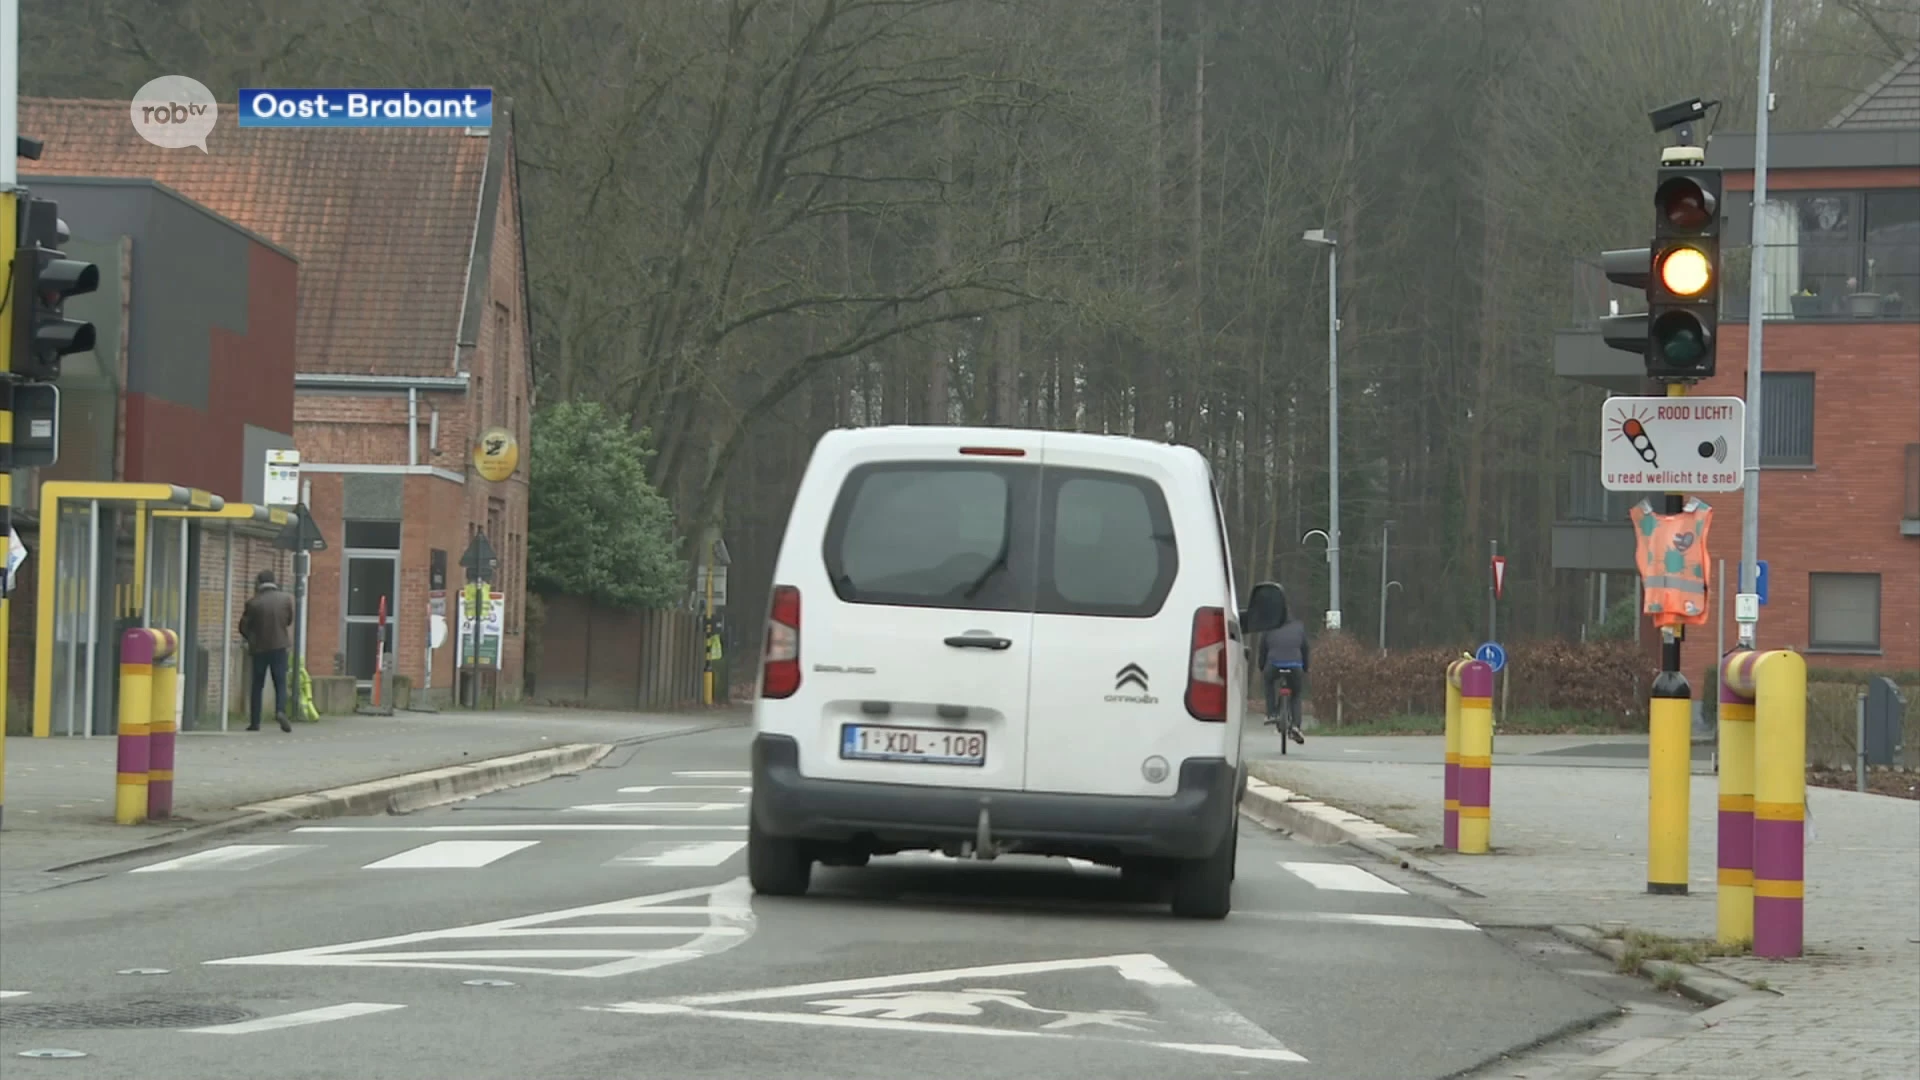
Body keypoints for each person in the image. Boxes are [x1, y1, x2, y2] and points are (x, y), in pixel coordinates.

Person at [238, 569, 295, 733]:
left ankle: (255, 722)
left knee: (257, 685)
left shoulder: (253, 603)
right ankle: (280, 711)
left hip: (259, 648)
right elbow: (288, 620)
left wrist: (252, 638)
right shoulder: (285, 600)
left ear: (259, 583)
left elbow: (243, 627)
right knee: (280, 682)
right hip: (279, 646)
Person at [1261, 616, 1309, 745]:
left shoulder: (1268, 627)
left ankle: (1271, 713)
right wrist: (1305, 667)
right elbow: (1305, 649)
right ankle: (1296, 726)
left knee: (1268, 681)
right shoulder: (1299, 626)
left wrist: (1262, 667)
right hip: (1295, 665)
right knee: (1296, 694)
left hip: (1274, 664)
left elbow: (1263, 650)